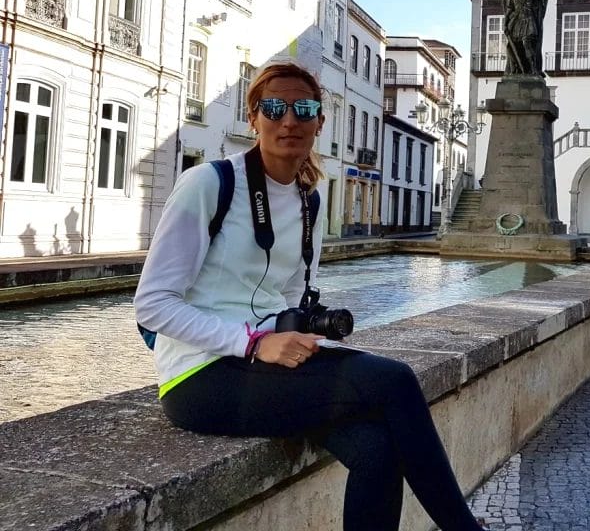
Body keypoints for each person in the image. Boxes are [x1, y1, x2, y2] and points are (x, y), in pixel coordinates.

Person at [135, 62, 487, 531]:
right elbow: (153, 304)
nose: (289, 121)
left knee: (376, 449)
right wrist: (254, 342)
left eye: (304, 109)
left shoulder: (310, 201)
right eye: (275, 108)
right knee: (396, 380)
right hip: (201, 377)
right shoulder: (209, 184)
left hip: (268, 368)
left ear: (321, 121)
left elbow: (285, 296)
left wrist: (298, 332)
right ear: (253, 117)